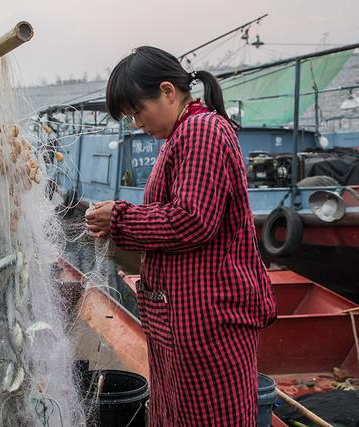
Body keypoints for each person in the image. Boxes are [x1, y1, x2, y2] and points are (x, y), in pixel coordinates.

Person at [85, 46, 277, 426]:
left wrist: (120, 219)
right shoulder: (182, 135)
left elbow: (192, 219)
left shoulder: (203, 131)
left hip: (209, 323)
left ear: (168, 91)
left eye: (138, 110)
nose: (137, 122)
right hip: (183, 320)